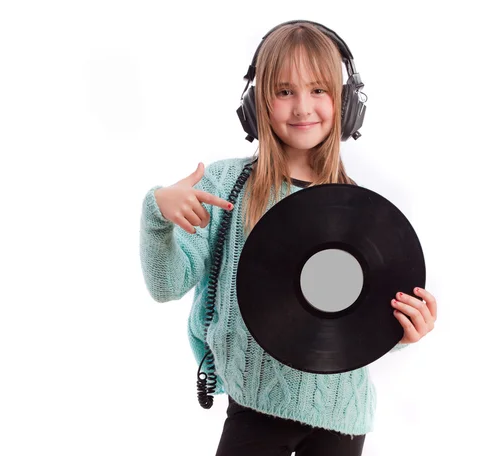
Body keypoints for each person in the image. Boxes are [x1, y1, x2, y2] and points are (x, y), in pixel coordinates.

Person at [139, 20, 437, 456]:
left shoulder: (359, 209)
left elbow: (349, 325)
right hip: (255, 407)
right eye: (284, 91)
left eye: (319, 90)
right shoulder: (224, 186)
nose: (303, 107)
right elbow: (166, 286)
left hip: (344, 416)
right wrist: (157, 215)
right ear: (256, 104)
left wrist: (402, 331)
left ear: (345, 103)